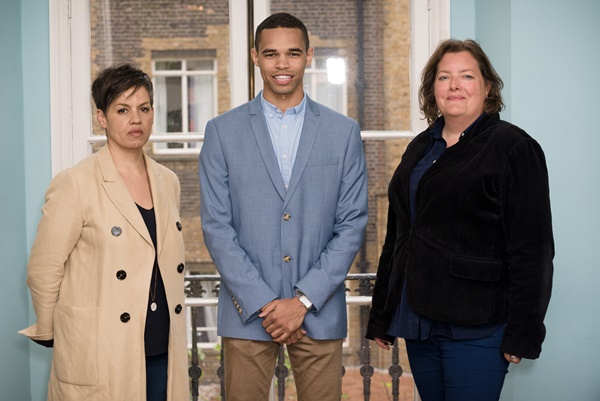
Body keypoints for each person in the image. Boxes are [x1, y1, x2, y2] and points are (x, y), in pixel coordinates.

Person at [366, 39, 554, 401]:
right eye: (444, 77)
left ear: (487, 87)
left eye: (466, 76)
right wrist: (382, 315)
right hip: (418, 321)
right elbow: (400, 235)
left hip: (477, 325)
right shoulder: (420, 147)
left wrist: (523, 332)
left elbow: (532, 251)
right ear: (432, 88)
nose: (454, 85)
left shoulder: (512, 147)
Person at [199, 12, 368, 401]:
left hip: (318, 313)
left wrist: (302, 301)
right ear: (255, 57)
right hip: (247, 314)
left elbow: (352, 223)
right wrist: (267, 304)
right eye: (271, 54)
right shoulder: (222, 132)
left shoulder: (343, 133)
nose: (282, 64)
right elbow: (216, 227)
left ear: (309, 56)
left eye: (292, 53)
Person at [19, 64, 188, 401]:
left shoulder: (167, 181)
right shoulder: (76, 182)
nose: (135, 120)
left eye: (144, 109)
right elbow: (44, 267)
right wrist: (59, 333)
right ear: (101, 117)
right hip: (102, 348)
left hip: (161, 344)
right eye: (122, 110)